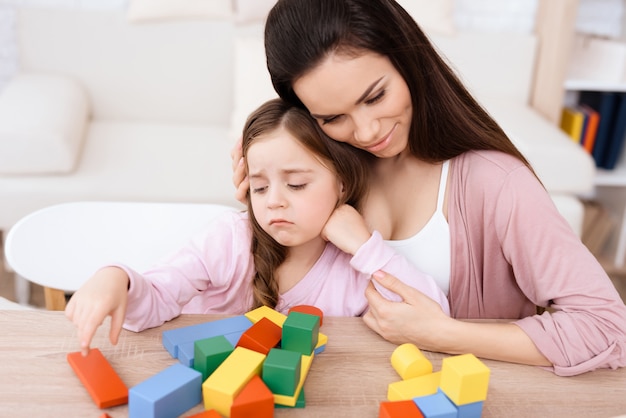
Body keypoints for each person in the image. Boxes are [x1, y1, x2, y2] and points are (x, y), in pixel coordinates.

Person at [230, 0, 626, 376]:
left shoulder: (496, 183)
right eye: (333, 117)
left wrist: (441, 332)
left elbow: (608, 330)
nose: (367, 132)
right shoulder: (328, 175)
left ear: (408, 60)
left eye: (376, 96)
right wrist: (269, 191)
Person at [66, 98, 449, 356]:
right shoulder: (229, 241)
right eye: (260, 186)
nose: (274, 201)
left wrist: (366, 247)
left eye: (296, 184)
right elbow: (152, 303)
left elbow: (434, 314)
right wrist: (116, 278)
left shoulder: (353, 265)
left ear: (342, 185)